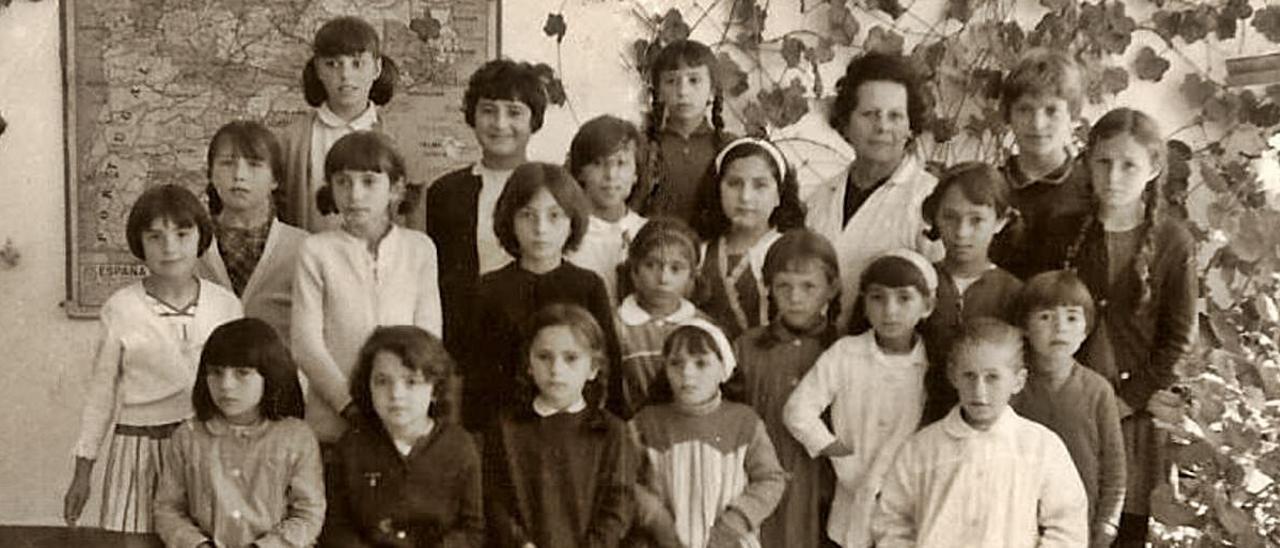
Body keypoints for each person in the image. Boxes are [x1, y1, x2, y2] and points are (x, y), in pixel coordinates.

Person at [63, 185, 244, 532]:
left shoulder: (226, 306)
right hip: (138, 450)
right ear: (139, 243)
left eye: (181, 233)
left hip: (207, 447)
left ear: (201, 237)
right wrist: (82, 473)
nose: (170, 247)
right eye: (155, 236)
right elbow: (100, 397)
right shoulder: (121, 308)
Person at [1067, 107, 1198, 547]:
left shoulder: (1172, 242)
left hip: (1132, 415)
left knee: (1122, 529)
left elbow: (1178, 339)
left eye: (1129, 165)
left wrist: (1127, 399)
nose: (1114, 177)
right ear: (1088, 160)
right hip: (1072, 405)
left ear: (1153, 168)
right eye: (1104, 162)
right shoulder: (1069, 233)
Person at [872, 318, 1089, 548]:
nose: (979, 390)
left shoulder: (1041, 446)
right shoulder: (921, 449)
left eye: (992, 377)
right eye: (969, 376)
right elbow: (892, 520)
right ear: (953, 376)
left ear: (1018, 381)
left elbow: (1068, 523)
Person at [291, 131, 440, 444]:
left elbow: (428, 337)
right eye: (343, 182)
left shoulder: (419, 249)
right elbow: (306, 345)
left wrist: (401, 405)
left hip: (403, 419)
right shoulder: (316, 251)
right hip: (335, 424)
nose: (355, 194)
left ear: (396, 189)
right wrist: (350, 407)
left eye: (369, 182)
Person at [783, 250, 935, 548]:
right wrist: (840, 454)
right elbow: (798, 411)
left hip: (908, 501)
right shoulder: (846, 353)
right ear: (864, 305)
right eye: (878, 298)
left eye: (904, 298)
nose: (890, 311)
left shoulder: (934, 365)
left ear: (927, 306)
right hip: (851, 497)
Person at [462, 162, 621, 430]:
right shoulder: (489, 289)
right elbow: (477, 379)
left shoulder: (588, 286)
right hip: (507, 433)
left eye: (554, 216)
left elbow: (610, 367)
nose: (541, 229)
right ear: (509, 220)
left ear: (573, 221)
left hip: (577, 429)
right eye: (527, 215)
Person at [153, 318, 324, 548]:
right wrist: (197, 544)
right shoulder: (188, 436)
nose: (226, 385)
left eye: (242, 373)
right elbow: (168, 509)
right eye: (216, 372)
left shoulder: (296, 437)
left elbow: (308, 514)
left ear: (270, 375)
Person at [805, 52, 943, 332]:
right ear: (846, 123)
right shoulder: (820, 197)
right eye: (869, 114)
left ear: (910, 127)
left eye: (895, 116)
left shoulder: (930, 199)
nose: (882, 127)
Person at [424, 59, 551, 360]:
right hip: (464, 345)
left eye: (514, 112)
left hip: (539, 342)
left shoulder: (553, 188)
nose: (500, 124)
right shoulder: (445, 192)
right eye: (488, 110)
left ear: (534, 120)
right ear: (472, 115)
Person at [483, 304, 634, 548]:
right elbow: (494, 500)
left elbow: (619, 506)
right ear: (529, 365)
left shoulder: (611, 431)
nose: (556, 369)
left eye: (571, 358)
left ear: (593, 368)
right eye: (544, 357)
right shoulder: (506, 427)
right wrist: (521, 544)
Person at [629, 318, 786, 548]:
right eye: (676, 363)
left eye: (701, 363)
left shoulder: (745, 422)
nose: (687, 374)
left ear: (724, 370)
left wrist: (733, 524)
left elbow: (771, 479)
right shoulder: (646, 422)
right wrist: (656, 519)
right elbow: (623, 479)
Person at [322, 326, 484, 547]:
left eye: (411, 382)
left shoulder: (459, 447)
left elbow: (473, 531)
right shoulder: (352, 446)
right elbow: (337, 527)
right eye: (382, 381)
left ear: (434, 390)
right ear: (367, 387)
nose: (396, 394)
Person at [732, 229, 841, 548]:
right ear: (768, 286)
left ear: (831, 288)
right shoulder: (746, 347)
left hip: (820, 488)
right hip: (759, 485)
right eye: (784, 286)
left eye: (809, 286)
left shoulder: (844, 350)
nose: (795, 298)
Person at [1011, 270, 1125, 548]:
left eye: (1072, 318)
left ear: (1086, 329)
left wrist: (1108, 521)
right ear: (1025, 326)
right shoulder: (1013, 386)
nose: (1060, 328)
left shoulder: (1098, 391)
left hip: (1079, 525)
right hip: (1017, 522)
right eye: (1046, 317)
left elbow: (1114, 467)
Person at [918, 162, 1023, 424]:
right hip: (918, 422)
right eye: (950, 217)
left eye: (976, 220)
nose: (961, 232)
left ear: (1000, 221)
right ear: (935, 218)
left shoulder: (1014, 293)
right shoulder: (919, 283)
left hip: (990, 427)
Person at [280, 16, 400, 232]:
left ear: (377, 68)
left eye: (357, 63)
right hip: (311, 259)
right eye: (333, 64)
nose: (345, 75)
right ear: (318, 69)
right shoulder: (292, 140)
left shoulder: (397, 139)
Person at [199, 120, 308, 345]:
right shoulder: (189, 245)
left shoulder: (304, 249)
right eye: (227, 163)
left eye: (255, 164)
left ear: (275, 179)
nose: (239, 175)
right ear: (210, 173)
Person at [993, 48, 1093, 279]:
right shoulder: (991, 186)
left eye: (1051, 111)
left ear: (1073, 116)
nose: (1037, 124)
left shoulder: (1091, 189)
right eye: (1025, 110)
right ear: (1009, 115)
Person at [695, 137, 806, 340]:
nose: (745, 197)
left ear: (779, 195)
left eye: (760, 185)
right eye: (734, 184)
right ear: (717, 189)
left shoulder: (794, 252)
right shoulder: (700, 254)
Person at [631, 39, 735, 228]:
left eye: (694, 80)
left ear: (712, 91)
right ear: (659, 92)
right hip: (656, 248)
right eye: (671, 81)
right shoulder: (642, 147)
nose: (683, 91)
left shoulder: (729, 148)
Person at [614, 217, 708, 420]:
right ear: (634, 271)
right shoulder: (616, 326)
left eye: (676, 269)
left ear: (691, 277)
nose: (664, 279)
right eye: (651, 265)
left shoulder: (704, 327)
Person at [566, 114, 648, 302]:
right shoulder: (566, 233)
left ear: (636, 173)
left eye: (621, 163)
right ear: (580, 171)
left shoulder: (646, 232)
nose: (610, 175)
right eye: (598, 163)